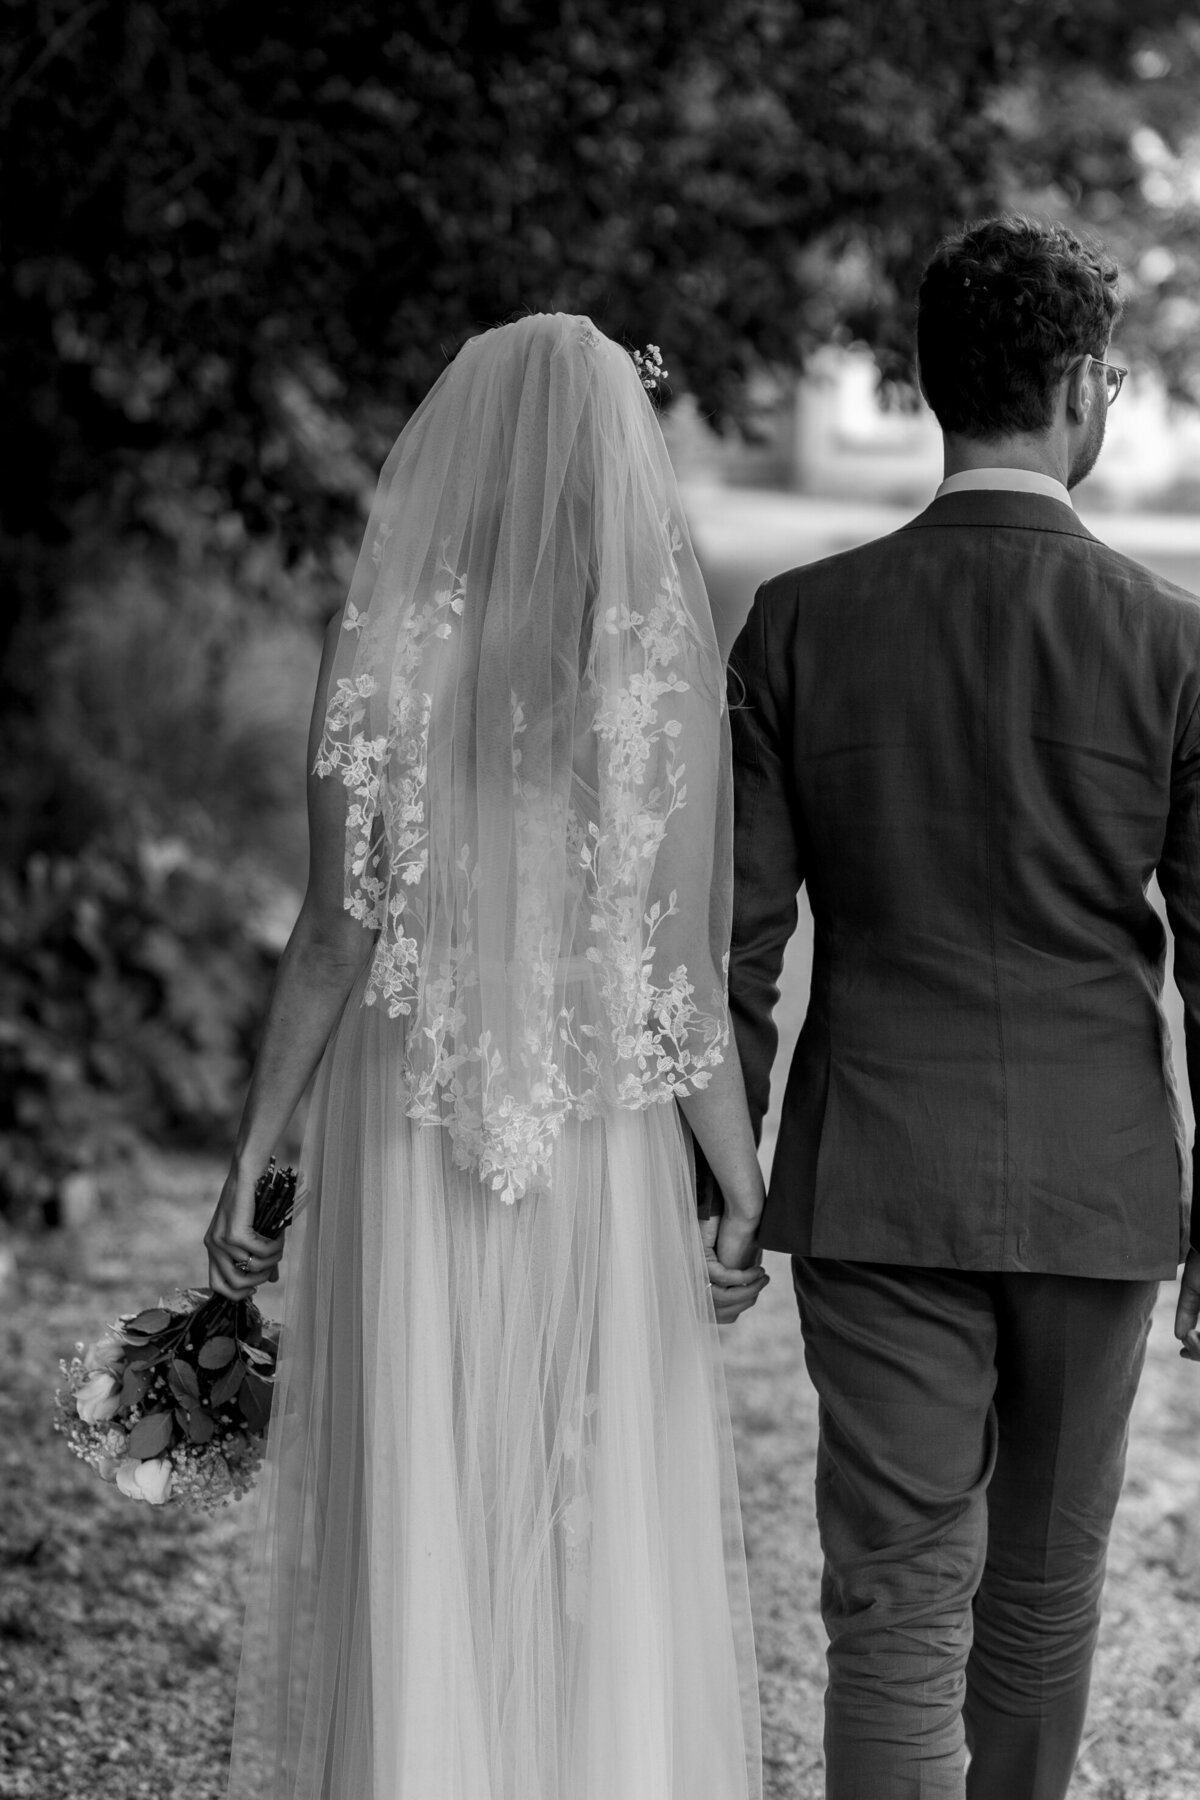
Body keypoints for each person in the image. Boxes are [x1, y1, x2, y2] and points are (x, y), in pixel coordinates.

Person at [203, 313, 768, 1800]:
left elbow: (332, 925)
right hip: (589, 1130)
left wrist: (258, 1145)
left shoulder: (381, 638)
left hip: (409, 1121)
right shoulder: (651, 657)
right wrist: (739, 1180)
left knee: (420, 1503)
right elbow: (677, 968)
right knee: (585, 1510)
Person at [726, 214, 1200, 1800]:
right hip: (1098, 1187)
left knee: (892, 1605)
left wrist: (718, 1173)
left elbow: (735, 937)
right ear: (1079, 387)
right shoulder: (1172, 645)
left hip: (874, 1172)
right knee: (1046, 1598)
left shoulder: (800, 621)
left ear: (936, 387)